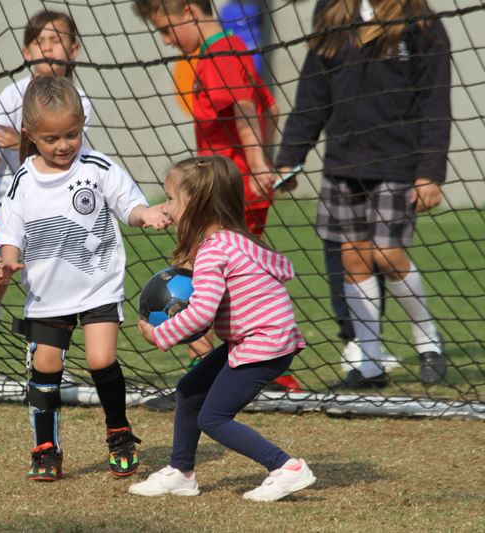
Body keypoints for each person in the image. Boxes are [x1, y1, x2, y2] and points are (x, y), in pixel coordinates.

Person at [0, 76, 168, 481]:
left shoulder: (97, 167)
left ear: (82, 124)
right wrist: (7, 260)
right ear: (30, 134)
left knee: (101, 359)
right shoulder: (22, 182)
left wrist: (147, 215)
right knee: (45, 367)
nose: (64, 145)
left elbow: (129, 204)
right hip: (47, 295)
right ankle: (45, 448)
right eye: (52, 137)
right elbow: (10, 234)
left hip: (98, 286)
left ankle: (119, 432)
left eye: (72, 134)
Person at [275, 0, 450, 389]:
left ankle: (429, 342)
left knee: (386, 254)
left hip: (399, 163)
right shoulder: (333, 14)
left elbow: (436, 103)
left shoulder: (421, 23)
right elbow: (312, 97)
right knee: (352, 258)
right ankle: (369, 362)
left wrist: (430, 173)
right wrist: (289, 159)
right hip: (343, 162)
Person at [132, 0, 304, 394]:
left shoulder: (223, 52)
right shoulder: (226, 50)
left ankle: (236, 371)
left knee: (194, 278)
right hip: (229, 191)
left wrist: (258, 165)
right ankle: (249, 369)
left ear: (189, 11)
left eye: (166, 29)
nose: (167, 40)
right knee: (216, 282)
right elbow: (270, 108)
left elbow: (246, 110)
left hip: (224, 199)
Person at [129, 155, 315, 502]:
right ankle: (181, 472)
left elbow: (201, 314)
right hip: (257, 339)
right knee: (190, 389)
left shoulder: (215, 251)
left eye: (172, 199)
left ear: (199, 206)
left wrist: (161, 334)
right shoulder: (231, 239)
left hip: (264, 344)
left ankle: (285, 467)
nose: (166, 207)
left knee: (213, 418)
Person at [0, 9, 92, 379]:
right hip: (9, 208)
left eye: (56, 39)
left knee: (54, 289)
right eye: (39, 40)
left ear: (73, 50)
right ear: (27, 52)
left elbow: (66, 156)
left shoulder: (78, 100)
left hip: (56, 209)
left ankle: (49, 359)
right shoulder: (12, 95)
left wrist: (24, 140)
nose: (48, 47)